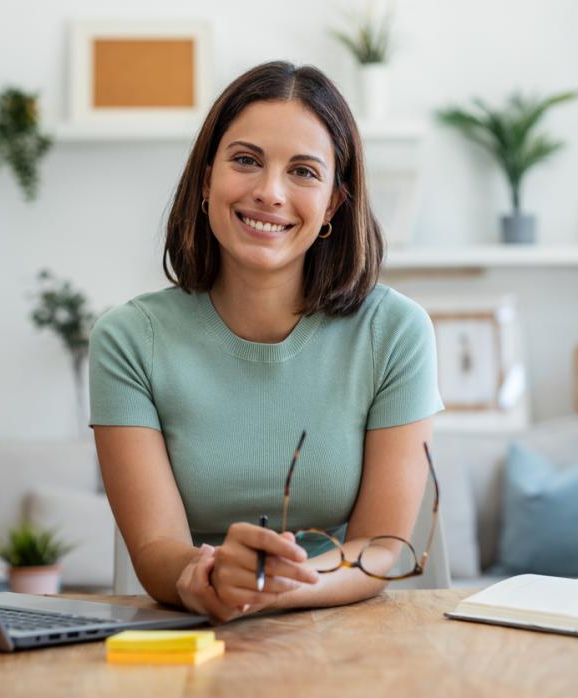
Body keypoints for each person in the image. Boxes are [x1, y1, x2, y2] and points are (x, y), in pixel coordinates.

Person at [89, 61, 443, 622]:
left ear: (332, 204)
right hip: (195, 634)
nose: (270, 192)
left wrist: (275, 585)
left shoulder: (395, 331)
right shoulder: (129, 340)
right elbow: (156, 552)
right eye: (247, 160)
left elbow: (382, 547)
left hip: (350, 642)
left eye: (303, 171)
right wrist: (207, 578)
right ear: (207, 179)